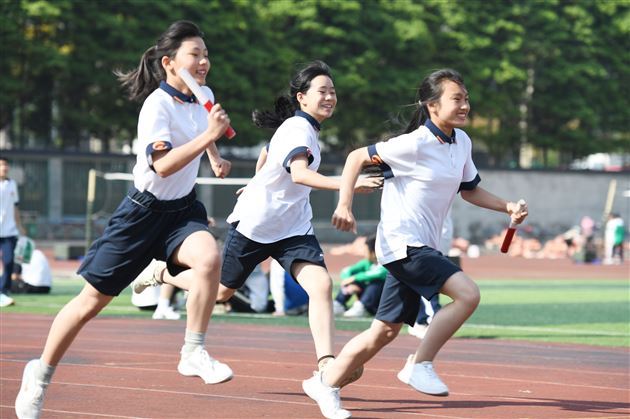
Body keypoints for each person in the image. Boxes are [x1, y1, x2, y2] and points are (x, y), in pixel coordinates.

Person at [15, 20, 234, 419]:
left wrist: (215, 157)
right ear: (170, 62)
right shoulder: (157, 106)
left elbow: (206, 130)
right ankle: (40, 374)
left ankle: (193, 351)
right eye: (195, 54)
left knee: (209, 259)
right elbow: (164, 165)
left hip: (182, 210)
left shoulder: (204, 94)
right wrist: (208, 138)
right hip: (141, 214)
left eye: (206, 54)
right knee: (89, 303)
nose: (204, 61)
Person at [137, 61, 381, 393]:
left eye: (333, 92)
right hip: (255, 225)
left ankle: (326, 364)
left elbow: (268, 153)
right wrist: (347, 184)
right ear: (302, 97)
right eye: (322, 91)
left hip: (293, 229)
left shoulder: (302, 128)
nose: (330, 97)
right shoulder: (298, 129)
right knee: (220, 292)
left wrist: (257, 180)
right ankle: (162, 273)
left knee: (321, 285)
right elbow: (299, 174)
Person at [302, 68, 528, 418]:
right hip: (401, 244)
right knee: (468, 294)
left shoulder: (462, 143)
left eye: (466, 98)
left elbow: (469, 190)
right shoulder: (414, 143)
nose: (465, 104)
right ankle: (419, 364)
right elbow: (355, 158)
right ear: (432, 106)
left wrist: (506, 206)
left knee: (383, 332)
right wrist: (344, 204)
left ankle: (326, 382)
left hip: (421, 246)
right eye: (457, 99)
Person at [333, 234, 386, 318]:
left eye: (366, 250)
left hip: (379, 302)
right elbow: (346, 270)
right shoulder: (366, 262)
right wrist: (351, 282)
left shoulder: (386, 264)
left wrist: (354, 278)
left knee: (377, 282)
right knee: (352, 279)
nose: (363, 253)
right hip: (368, 296)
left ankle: (363, 307)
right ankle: (339, 304)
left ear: (373, 252)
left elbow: (379, 273)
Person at [0, 157, 25, 307]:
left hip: (9, 231)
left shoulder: (12, 184)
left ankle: (3, 291)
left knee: (9, 261)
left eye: (6, 164)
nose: (4, 167)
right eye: (1, 165)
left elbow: (15, 207)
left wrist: (20, 226)